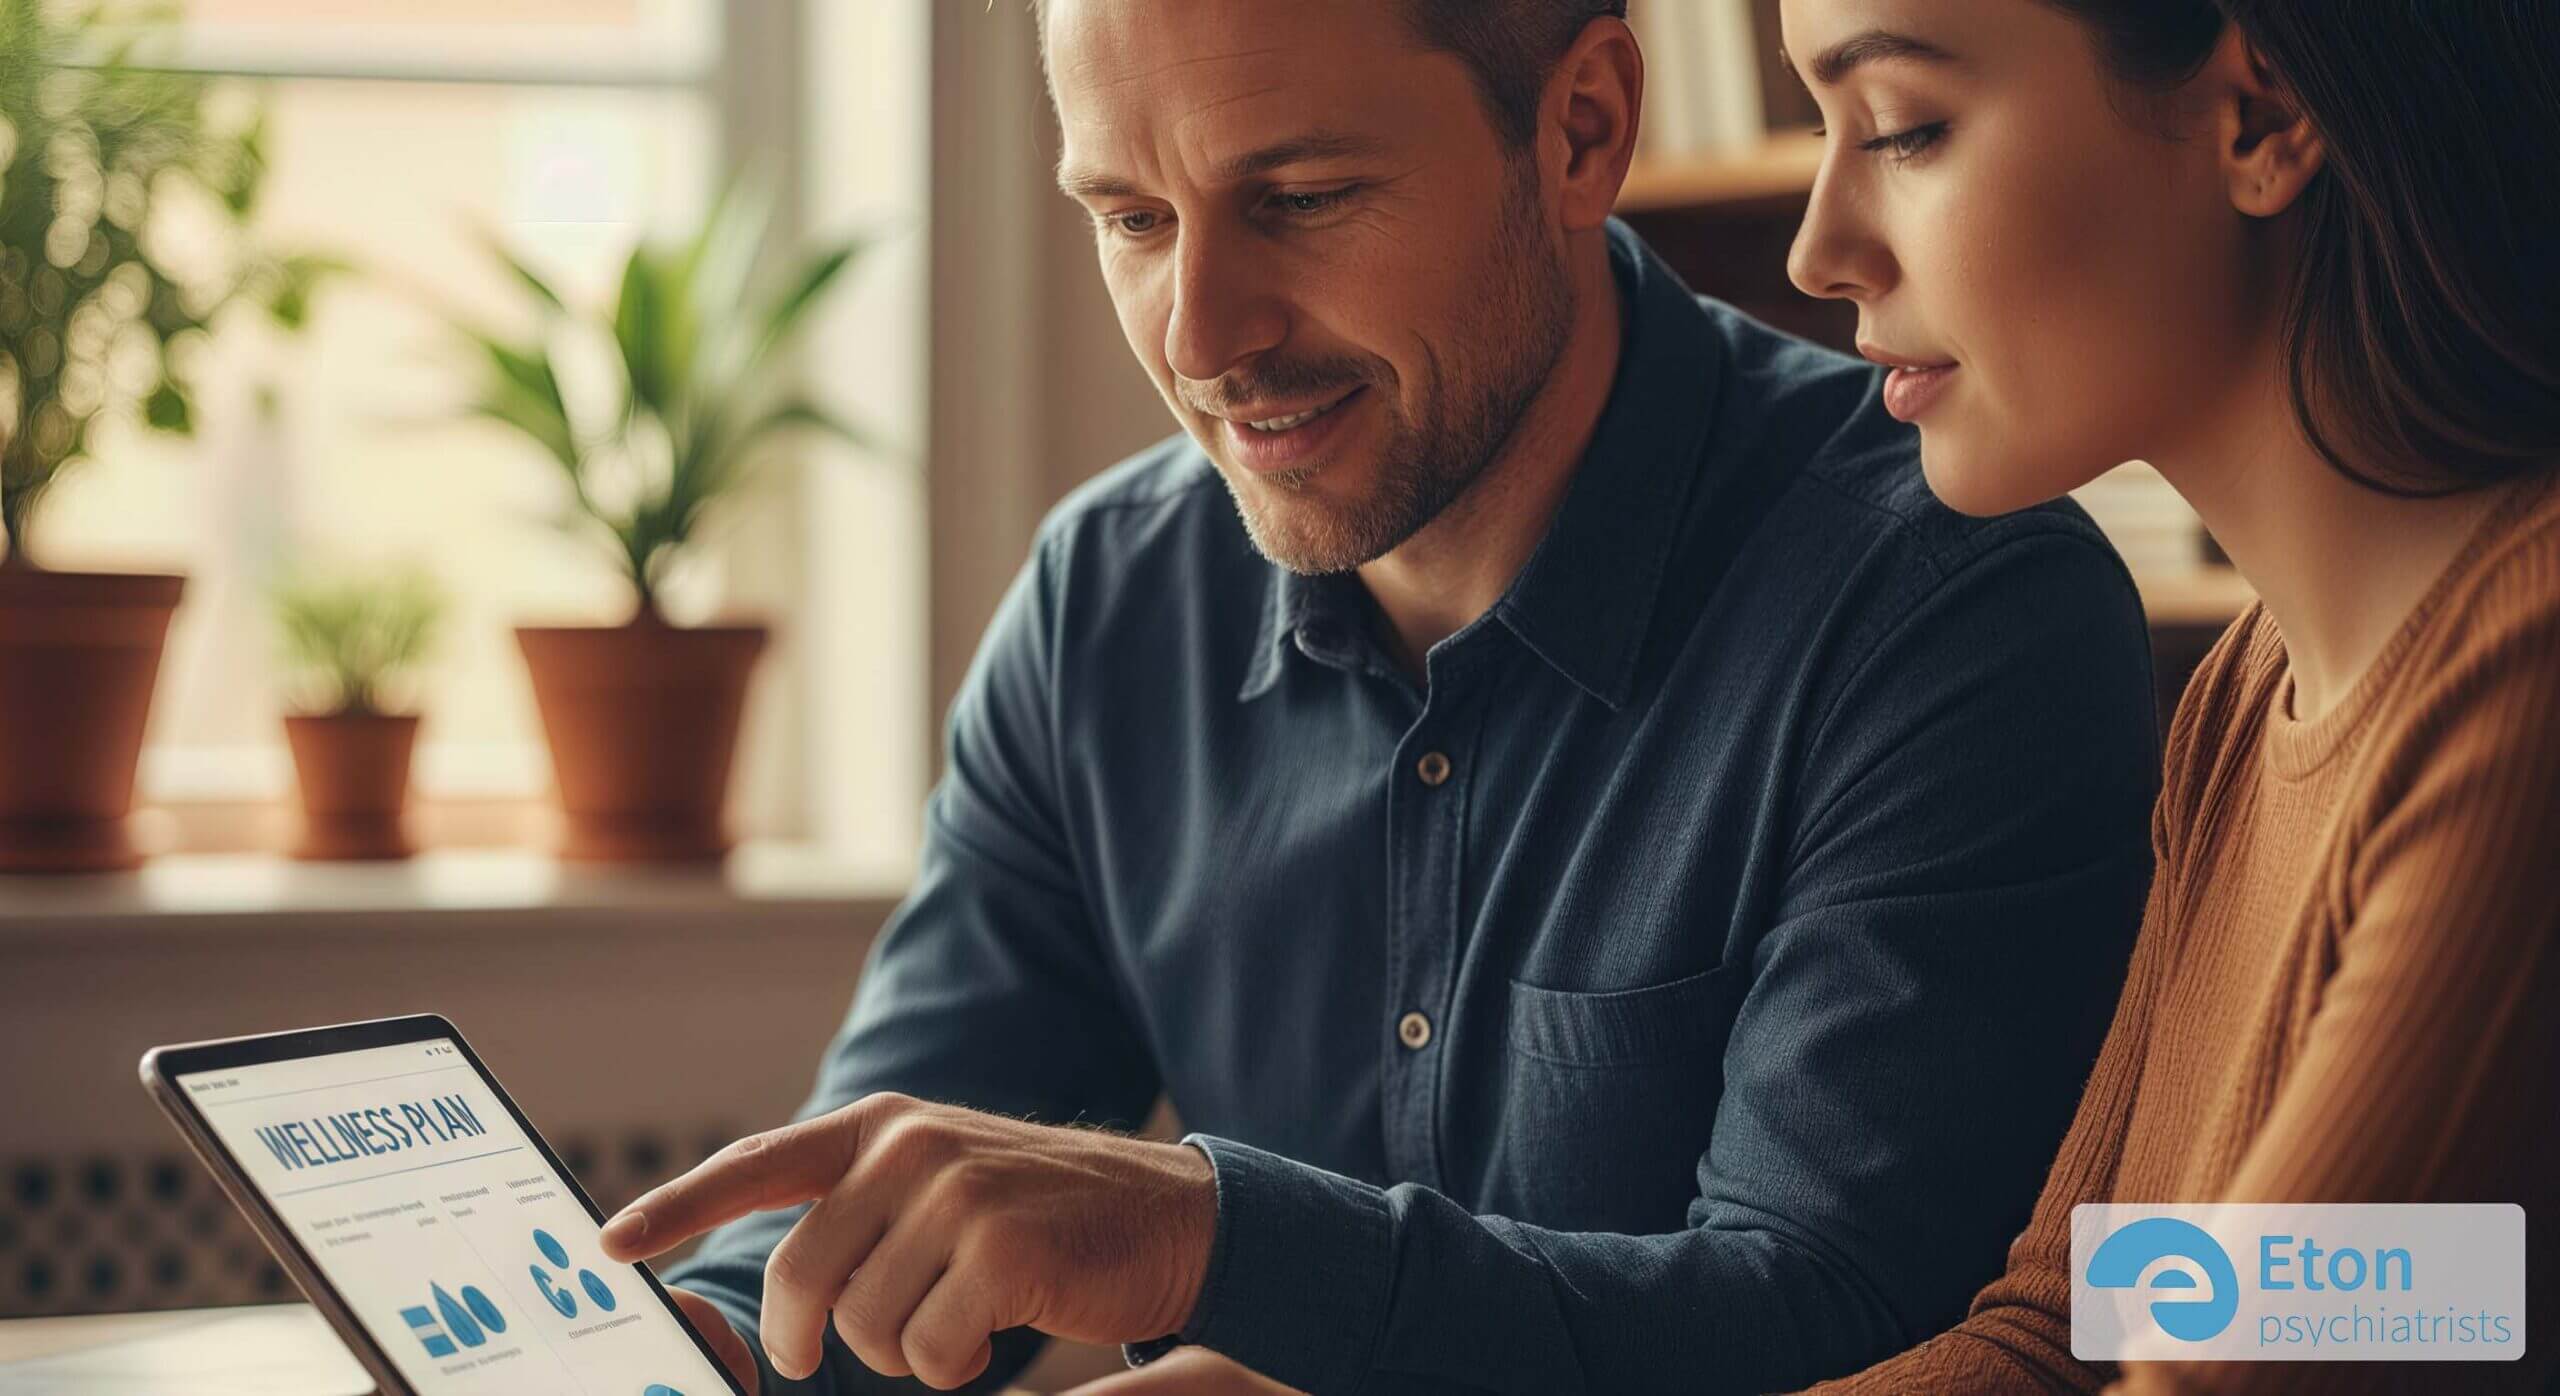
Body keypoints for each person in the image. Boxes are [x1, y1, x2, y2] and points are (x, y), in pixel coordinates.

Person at [607, 2, 2161, 1392]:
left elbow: (1853, 1326)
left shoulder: (1949, 608)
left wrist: (1204, 1245)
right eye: (1133, 218)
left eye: (1299, 200)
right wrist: (717, 1347)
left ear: (1582, 130)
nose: (1201, 337)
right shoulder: (1107, 602)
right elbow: (894, 1217)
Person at [1774, 0, 2560, 1391]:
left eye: (1903, 129)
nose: (1817, 249)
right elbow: (2082, 1328)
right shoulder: (2242, 703)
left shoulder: (2522, 689)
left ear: (2260, 118)